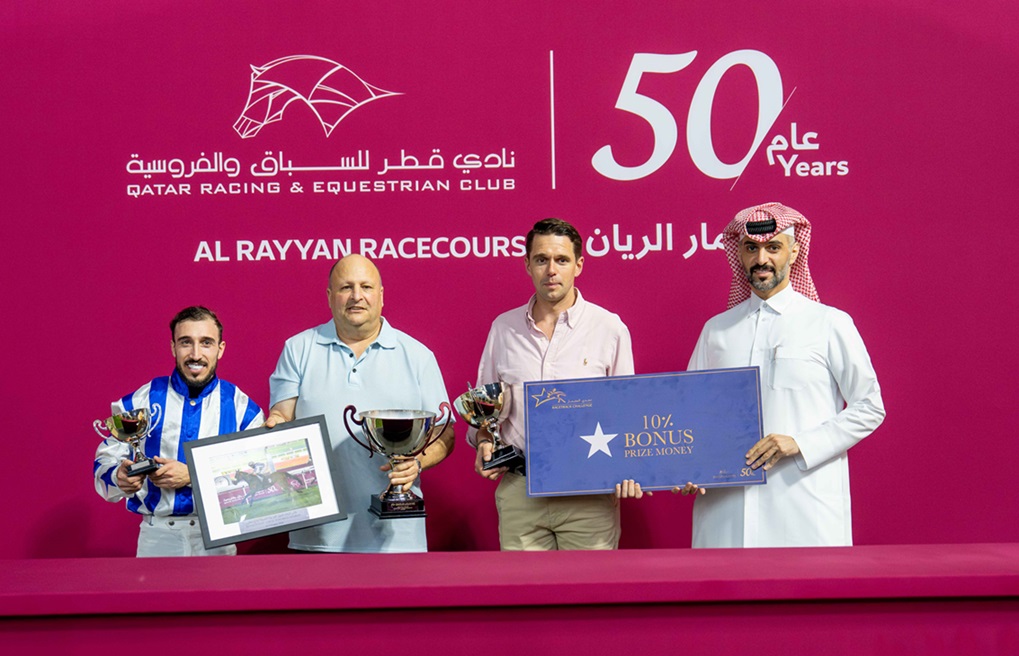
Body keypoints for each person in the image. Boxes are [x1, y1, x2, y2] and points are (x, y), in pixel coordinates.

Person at [682, 202, 885, 548]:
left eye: (773, 248)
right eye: (751, 248)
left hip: (804, 507)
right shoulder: (716, 330)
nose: (761, 259)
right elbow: (690, 412)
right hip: (725, 513)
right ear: (739, 254)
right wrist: (687, 465)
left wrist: (800, 443)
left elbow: (870, 407)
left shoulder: (829, 323)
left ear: (794, 252)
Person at [469, 218, 641, 551]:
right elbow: (484, 410)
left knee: (590, 585)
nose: (551, 270)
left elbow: (627, 414)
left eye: (561, 260)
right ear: (527, 265)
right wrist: (484, 441)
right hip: (521, 494)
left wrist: (632, 467)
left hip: (588, 496)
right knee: (522, 586)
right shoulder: (503, 329)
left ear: (579, 265)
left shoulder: (609, 328)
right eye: (541, 259)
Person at [266, 254, 455, 553]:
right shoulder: (297, 349)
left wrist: (417, 462)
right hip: (318, 536)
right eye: (346, 287)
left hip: (397, 537)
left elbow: (445, 432)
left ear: (381, 295)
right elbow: (282, 415)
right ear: (330, 296)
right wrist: (274, 428)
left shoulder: (418, 356)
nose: (357, 296)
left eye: (366, 287)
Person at [93, 306, 264, 557]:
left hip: (218, 538)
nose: (196, 354)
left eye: (206, 343)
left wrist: (193, 474)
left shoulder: (244, 409)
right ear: (173, 347)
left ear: (220, 349)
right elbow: (103, 462)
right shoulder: (140, 401)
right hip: (157, 538)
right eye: (186, 342)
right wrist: (118, 478)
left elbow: (259, 472)